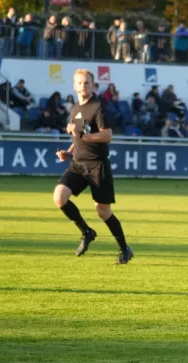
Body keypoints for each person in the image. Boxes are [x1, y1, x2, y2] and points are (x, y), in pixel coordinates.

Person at [53, 69, 133, 264]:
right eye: (79, 83)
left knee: (103, 211)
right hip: (78, 164)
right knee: (59, 197)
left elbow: (107, 136)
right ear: (74, 86)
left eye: (87, 83)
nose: (83, 86)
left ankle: (124, 249)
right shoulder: (75, 109)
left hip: (97, 165)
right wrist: (69, 151)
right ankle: (87, 232)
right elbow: (77, 135)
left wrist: (82, 135)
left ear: (93, 85)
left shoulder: (99, 107)